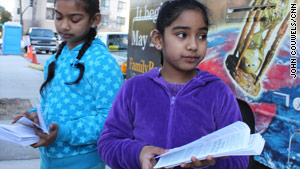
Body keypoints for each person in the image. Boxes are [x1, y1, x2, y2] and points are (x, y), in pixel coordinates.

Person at [97, 0, 249, 169]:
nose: (193, 45)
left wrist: (209, 164)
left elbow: (239, 158)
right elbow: (108, 144)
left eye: (201, 36)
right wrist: (137, 153)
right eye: (182, 35)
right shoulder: (133, 89)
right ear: (158, 39)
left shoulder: (219, 93)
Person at [13, 0, 123, 168]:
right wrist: (35, 116)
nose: (64, 26)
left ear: (94, 20)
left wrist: (63, 132)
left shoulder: (102, 63)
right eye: (58, 17)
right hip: (47, 159)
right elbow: (53, 104)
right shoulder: (54, 59)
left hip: (84, 161)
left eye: (74, 19)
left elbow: (110, 121)